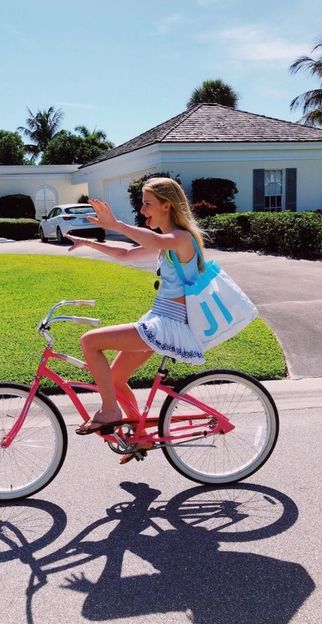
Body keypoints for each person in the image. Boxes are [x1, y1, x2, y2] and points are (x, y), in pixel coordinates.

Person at [66, 177, 205, 463]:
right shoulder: (168, 243)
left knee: (89, 342)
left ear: (167, 205)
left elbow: (152, 239)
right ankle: (140, 436)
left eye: (147, 204)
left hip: (166, 325)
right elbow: (126, 253)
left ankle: (110, 412)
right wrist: (89, 242)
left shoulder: (181, 238)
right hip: (159, 322)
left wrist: (115, 224)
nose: (143, 210)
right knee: (114, 379)